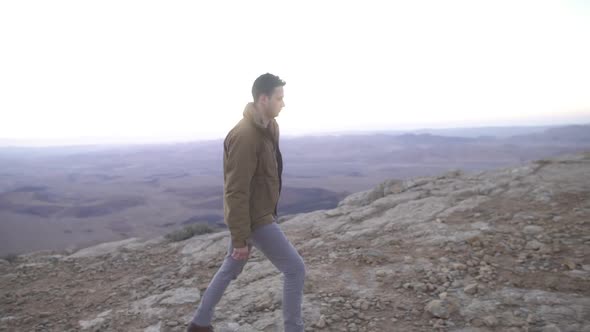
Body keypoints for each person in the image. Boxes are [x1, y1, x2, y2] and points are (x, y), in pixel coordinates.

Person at [187, 73, 306, 332]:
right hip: (255, 218)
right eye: (279, 98)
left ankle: (200, 322)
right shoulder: (244, 136)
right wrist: (241, 237)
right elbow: (236, 191)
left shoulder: (269, 127)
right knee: (295, 270)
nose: (283, 104)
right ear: (263, 99)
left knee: (231, 267)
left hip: (261, 213)